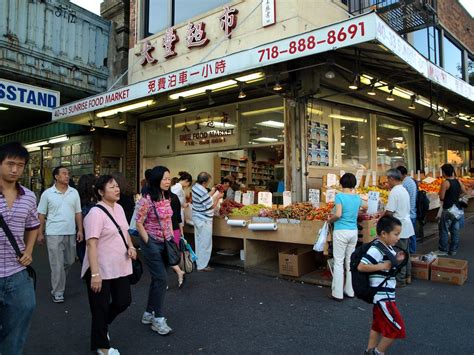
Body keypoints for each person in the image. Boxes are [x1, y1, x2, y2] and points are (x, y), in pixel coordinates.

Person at [81, 175, 136, 355]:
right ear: (100, 192)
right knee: (100, 308)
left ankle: (102, 326)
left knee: (123, 301)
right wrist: (95, 274)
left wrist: (131, 246)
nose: (117, 189)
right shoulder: (95, 214)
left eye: (117, 186)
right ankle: (102, 346)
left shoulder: (119, 208)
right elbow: (91, 244)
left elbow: (125, 231)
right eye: (111, 187)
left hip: (120, 265)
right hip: (100, 269)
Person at [0, 142, 40, 355]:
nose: (15, 170)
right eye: (10, 164)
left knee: (21, 317)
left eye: (20, 165)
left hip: (17, 271)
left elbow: (33, 225)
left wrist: (29, 251)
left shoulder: (29, 196)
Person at [358, 216, 406, 355]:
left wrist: (396, 260)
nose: (398, 237)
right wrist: (384, 265)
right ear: (384, 233)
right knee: (397, 328)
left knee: (377, 326)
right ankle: (377, 352)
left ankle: (369, 351)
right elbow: (362, 266)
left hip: (384, 295)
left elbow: (388, 266)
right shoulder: (376, 249)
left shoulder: (387, 247)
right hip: (383, 297)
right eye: (396, 234)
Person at [136, 166, 174, 335]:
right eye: (164, 178)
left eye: (169, 179)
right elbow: (139, 223)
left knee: (157, 280)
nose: (167, 182)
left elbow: (169, 220)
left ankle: (147, 314)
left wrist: (172, 238)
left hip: (166, 243)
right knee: (162, 280)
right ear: (157, 179)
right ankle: (158, 319)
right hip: (151, 243)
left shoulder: (167, 197)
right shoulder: (146, 199)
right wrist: (148, 243)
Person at [37, 166, 83, 303]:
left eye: (68, 174)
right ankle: (58, 291)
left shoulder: (74, 192)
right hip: (53, 233)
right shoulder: (47, 194)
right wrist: (40, 233)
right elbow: (41, 214)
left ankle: (59, 278)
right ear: (56, 177)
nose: (67, 176)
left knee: (69, 261)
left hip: (70, 232)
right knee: (56, 264)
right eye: (63, 173)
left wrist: (80, 229)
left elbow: (78, 212)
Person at [327, 173, 362, 301]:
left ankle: (337, 293)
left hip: (341, 231)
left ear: (341, 183)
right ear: (354, 184)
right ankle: (350, 290)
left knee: (338, 262)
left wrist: (330, 220)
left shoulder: (339, 197)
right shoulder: (357, 198)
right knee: (349, 262)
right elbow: (367, 206)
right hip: (353, 232)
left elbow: (338, 214)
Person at [384, 168, 414, 287]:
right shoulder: (403, 189)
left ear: (391, 178)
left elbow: (390, 212)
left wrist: (382, 218)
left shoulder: (395, 191)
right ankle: (408, 276)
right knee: (406, 252)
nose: (387, 182)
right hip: (405, 225)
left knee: (399, 254)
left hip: (398, 226)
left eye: (388, 179)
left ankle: (400, 280)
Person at [192, 172, 223, 272]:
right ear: (205, 182)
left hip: (197, 218)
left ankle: (199, 262)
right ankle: (203, 265)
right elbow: (210, 206)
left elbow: (206, 198)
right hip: (204, 219)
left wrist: (213, 191)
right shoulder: (202, 190)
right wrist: (218, 198)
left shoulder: (195, 187)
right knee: (205, 243)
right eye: (208, 181)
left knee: (199, 242)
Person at [437, 164, 467, 256]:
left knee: (444, 230)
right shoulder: (458, 181)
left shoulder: (445, 182)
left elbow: (442, 197)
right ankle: (453, 250)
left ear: (444, 172)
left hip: (448, 209)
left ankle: (443, 249)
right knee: (455, 230)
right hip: (457, 209)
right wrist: (456, 197)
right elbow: (465, 192)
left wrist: (449, 197)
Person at [77, 174, 98, 264]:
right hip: (93, 229)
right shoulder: (95, 199)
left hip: (80, 228)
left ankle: (86, 267)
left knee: (81, 247)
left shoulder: (77, 196)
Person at [396, 166, 417, 254]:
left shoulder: (404, 183)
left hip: (408, 213)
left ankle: (410, 254)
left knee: (408, 237)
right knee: (411, 235)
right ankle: (412, 252)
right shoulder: (410, 180)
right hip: (412, 212)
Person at [170, 189, 186, 288]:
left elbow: (178, 216)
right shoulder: (174, 197)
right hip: (175, 229)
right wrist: (181, 232)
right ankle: (179, 271)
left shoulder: (172, 197)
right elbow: (178, 216)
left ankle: (179, 271)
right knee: (173, 254)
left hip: (171, 230)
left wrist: (181, 232)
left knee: (169, 254)